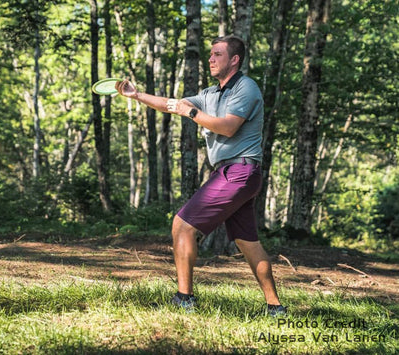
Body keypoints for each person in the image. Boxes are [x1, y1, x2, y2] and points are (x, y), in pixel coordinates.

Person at [115, 35, 286, 316]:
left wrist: (192, 112)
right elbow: (171, 104)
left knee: (183, 225)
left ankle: (185, 299)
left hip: (239, 170)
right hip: (233, 172)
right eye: (210, 54)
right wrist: (137, 95)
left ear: (234, 60)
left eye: (217, 54)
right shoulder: (210, 94)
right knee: (248, 242)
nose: (211, 59)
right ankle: (275, 307)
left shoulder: (246, 88)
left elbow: (228, 127)